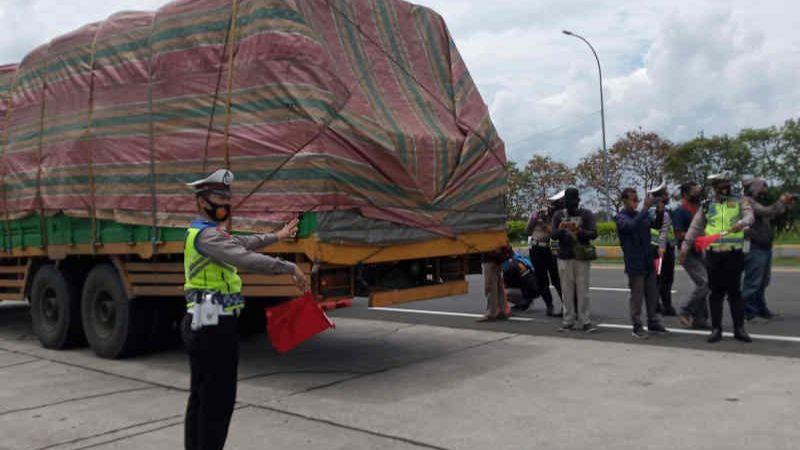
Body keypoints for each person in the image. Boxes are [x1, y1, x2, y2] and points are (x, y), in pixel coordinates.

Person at [182, 169, 308, 450]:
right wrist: (289, 267)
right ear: (202, 201)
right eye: (218, 197)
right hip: (212, 325)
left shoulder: (205, 233)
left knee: (202, 397)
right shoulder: (208, 238)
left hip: (205, 321)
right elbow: (246, 258)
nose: (225, 203)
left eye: (228, 197)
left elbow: (243, 242)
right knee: (218, 400)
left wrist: (278, 235)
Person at [681, 171, 754, 343]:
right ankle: (716, 329)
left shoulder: (739, 201)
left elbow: (750, 217)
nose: (726, 190)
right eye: (722, 187)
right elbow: (695, 228)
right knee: (716, 294)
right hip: (714, 256)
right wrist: (685, 246)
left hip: (734, 254)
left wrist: (742, 223)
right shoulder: (706, 205)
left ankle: (739, 329)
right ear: (715, 188)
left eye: (728, 186)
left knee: (735, 293)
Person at [615, 188, 669, 338]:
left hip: (648, 260)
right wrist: (645, 208)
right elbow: (630, 226)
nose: (636, 202)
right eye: (633, 200)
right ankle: (637, 326)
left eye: (637, 200)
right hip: (634, 263)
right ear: (624, 201)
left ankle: (653, 321)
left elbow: (655, 225)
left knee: (652, 294)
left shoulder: (640, 215)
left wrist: (659, 211)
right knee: (637, 297)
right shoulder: (620, 217)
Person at [741, 178, 795, 321]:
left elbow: (773, 215)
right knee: (753, 282)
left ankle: (760, 308)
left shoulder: (758, 202)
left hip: (764, 246)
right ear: (754, 188)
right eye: (762, 187)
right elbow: (766, 212)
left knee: (763, 282)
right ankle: (748, 312)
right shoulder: (747, 202)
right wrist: (781, 201)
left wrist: (786, 206)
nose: (765, 190)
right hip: (754, 246)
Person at [551, 188, 598, 333]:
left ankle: (584, 321)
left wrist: (579, 231)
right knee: (567, 291)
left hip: (581, 257)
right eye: (567, 201)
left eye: (572, 201)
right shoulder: (558, 215)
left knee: (583, 291)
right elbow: (553, 235)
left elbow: (594, 233)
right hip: (565, 257)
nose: (570, 205)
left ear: (578, 201)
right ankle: (569, 321)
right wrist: (561, 229)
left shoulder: (586, 214)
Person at [673, 182, 710, 329]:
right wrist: (697, 236)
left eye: (698, 191)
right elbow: (678, 234)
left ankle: (700, 319)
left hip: (699, 251)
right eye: (694, 192)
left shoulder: (699, 209)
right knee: (705, 283)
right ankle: (685, 310)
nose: (697, 194)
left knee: (703, 284)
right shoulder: (680, 210)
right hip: (687, 253)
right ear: (685, 193)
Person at [523, 190, 564, 316]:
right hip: (536, 248)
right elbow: (528, 231)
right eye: (551, 204)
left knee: (556, 278)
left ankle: (566, 305)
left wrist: (546, 225)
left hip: (551, 247)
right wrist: (534, 219)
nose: (550, 207)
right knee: (541, 279)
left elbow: (555, 234)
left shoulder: (559, 216)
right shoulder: (539, 214)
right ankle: (549, 305)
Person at [647, 182, 677, 316]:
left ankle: (657, 305)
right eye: (665, 194)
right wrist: (662, 248)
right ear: (660, 197)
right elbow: (663, 232)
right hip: (662, 250)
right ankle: (666, 306)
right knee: (665, 279)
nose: (668, 196)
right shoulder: (662, 212)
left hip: (655, 249)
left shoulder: (650, 210)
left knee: (658, 278)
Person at [479, 246, 513, 322]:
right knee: (499, 286)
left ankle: (491, 313)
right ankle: (502, 311)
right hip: (499, 258)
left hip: (490, 257)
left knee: (490, 286)